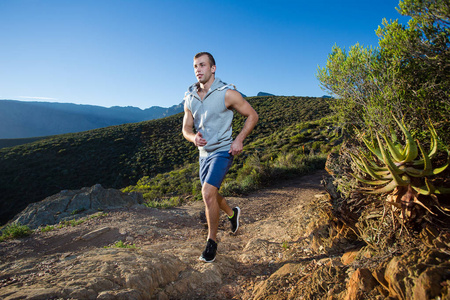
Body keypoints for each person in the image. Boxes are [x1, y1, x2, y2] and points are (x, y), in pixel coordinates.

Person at [182, 52, 258, 262]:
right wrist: (192, 138)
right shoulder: (189, 97)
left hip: (223, 150)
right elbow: (186, 128)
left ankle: (211, 242)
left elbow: (253, 115)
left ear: (213, 68)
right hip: (203, 154)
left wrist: (239, 139)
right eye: (195, 66)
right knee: (212, 195)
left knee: (207, 193)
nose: (198, 69)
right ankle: (232, 214)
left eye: (203, 65)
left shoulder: (228, 93)